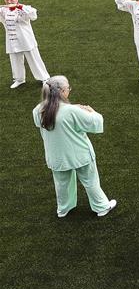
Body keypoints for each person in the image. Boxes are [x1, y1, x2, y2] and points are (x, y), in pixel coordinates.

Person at [33, 76, 117, 218]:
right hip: (80, 154)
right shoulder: (71, 111)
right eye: (68, 89)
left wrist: (74, 108)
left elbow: (49, 121)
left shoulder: (38, 110)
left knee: (61, 184)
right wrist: (92, 111)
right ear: (62, 91)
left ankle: (63, 209)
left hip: (57, 156)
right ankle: (101, 207)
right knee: (90, 181)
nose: (69, 91)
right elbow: (95, 123)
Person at [1, 0, 50, 89]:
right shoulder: (2, 10)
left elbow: (33, 15)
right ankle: (19, 79)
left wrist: (19, 6)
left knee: (34, 58)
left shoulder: (24, 8)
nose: (9, 1)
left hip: (26, 39)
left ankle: (45, 78)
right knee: (15, 59)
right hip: (12, 40)